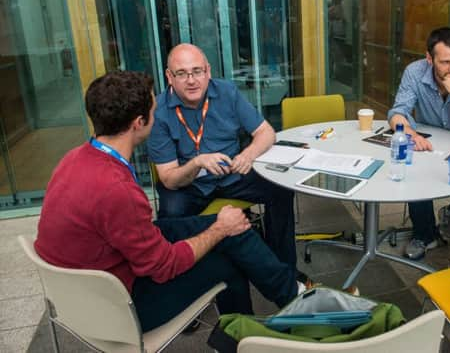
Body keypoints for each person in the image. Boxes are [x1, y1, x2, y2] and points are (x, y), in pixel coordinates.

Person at [34, 71, 301, 333]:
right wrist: (218, 229)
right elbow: (162, 267)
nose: (159, 108)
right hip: (117, 307)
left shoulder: (74, 158)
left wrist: (223, 229)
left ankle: (294, 298)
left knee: (235, 233)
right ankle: (260, 329)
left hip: (85, 289)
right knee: (227, 257)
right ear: (140, 122)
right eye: (154, 106)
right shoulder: (117, 189)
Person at [147, 43, 296, 268]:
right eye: (181, 73)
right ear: (169, 76)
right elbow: (169, 178)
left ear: (208, 71)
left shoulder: (227, 92)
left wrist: (248, 155)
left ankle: (283, 267)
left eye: (197, 71)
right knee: (170, 221)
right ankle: (184, 273)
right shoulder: (158, 112)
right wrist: (197, 163)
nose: (191, 80)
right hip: (188, 185)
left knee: (281, 189)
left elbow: (266, 133)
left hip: (231, 174)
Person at [387, 27, 450, 260]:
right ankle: (425, 234)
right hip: (429, 141)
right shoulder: (415, 72)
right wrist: (411, 134)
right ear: (429, 58)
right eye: (445, 62)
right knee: (412, 169)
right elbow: (397, 112)